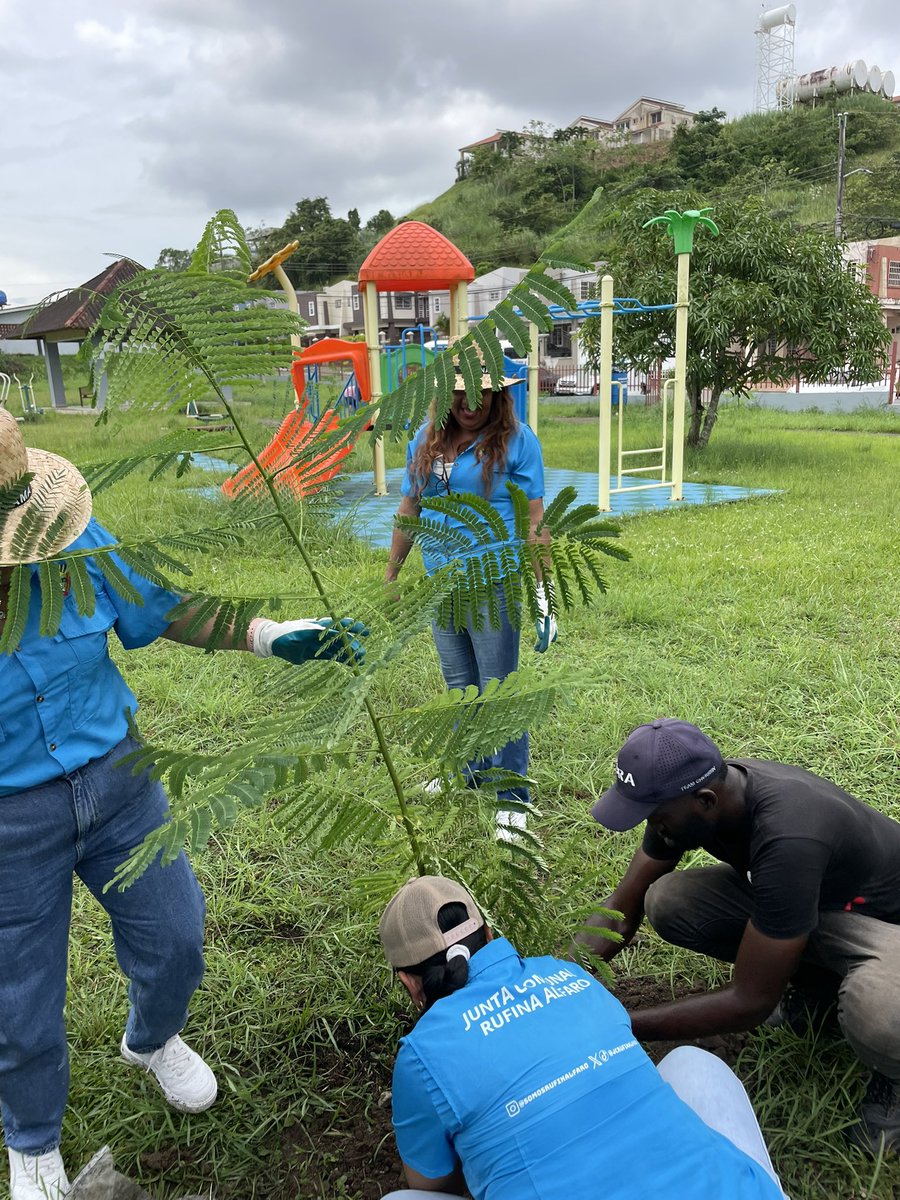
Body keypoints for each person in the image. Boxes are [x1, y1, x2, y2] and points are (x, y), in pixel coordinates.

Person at [0, 409, 367, 1200]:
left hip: (120, 777)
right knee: (20, 1003)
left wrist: (269, 635)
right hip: (8, 821)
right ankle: (31, 1140)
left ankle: (153, 1038)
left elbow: (162, 606)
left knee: (177, 938)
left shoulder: (71, 540)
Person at [583, 717, 900, 1157]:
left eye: (655, 818)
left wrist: (616, 1027)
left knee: (882, 1014)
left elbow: (750, 1001)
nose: (653, 829)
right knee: (669, 901)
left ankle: (894, 1072)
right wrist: (556, 982)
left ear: (705, 802)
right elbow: (622, 907)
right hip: (811, 903)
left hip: (882, 924)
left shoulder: (790, 833)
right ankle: (816, 989)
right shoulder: (694, 796)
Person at [378, 874, 786, 1200]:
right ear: (488, 936)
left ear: (410, 984)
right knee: (691, 1064)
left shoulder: (422, 1055)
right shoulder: (568, 974)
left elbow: (435, 1184)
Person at [385, 352, 556, 840]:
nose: (471, 403)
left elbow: (535, 521)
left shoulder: (518, 443)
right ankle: (470, 769)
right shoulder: (426, 440)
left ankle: (512, 796)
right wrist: (392, 575)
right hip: (441, 584)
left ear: (500, 395)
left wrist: (543, 595)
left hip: (492, 584)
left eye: (483, 393)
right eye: (461, 391)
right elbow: (410, 506)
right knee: (461, 685)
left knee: (500, 688)